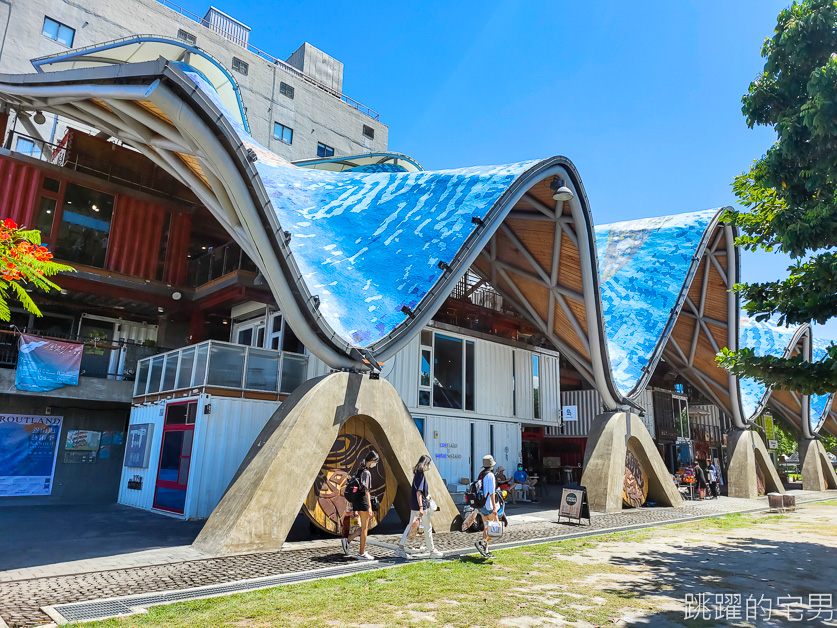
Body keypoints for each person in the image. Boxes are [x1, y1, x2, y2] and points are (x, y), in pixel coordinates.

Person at [395, 455, 443, 559]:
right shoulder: (420, 476)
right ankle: (432, 550)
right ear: (425, 464)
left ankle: (400, 548)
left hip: (414, 505)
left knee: (409, 526)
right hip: (421, 506)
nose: (429, 466)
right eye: (428, 464)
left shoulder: (417, 474)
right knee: (428, 528)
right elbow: (419, 493)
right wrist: (421, 507)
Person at [341, 451, 379, 560]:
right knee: (364, 529)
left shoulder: (360, 469)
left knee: (366, 526)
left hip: (359, 501)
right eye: (375, 462)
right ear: (372, 461)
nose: (375, 464)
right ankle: (361, 553)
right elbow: (366, 491)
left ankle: (348, 539)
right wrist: (370, 507)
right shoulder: (366, 472)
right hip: (363, 502)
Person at [475, 454, 500, 559]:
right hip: (489, 505)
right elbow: (492, 493)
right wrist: (494, 507)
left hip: (482, 505)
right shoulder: (490, 475)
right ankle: (482, 543)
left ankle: (485, 552)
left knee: (486, 529)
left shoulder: (481, 474)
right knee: (496, 529)